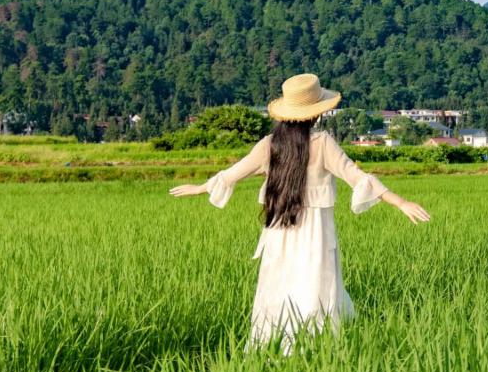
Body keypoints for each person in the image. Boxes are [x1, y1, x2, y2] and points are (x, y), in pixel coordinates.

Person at [170, 74, 429, 352]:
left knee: (279, 284)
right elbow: (358, 177)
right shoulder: (323, 143)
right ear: (317, 112)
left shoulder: (270, 144)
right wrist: (400, 202)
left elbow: (233, 174)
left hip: (279, 230)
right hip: (315, 232)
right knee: (316, 284)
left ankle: (275, 346)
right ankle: (316, 349)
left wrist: (200, 188)